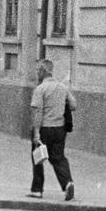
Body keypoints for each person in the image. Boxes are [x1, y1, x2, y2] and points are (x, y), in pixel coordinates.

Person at [28, 58, 75, 201]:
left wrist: (36, 133)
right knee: (58, 157)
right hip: (60, 129)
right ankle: (67, 183)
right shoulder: (62, 87)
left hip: (44, 129)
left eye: (38, 70)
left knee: (38, 158)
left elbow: (38, 112)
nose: (37, 73)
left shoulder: (40, 89)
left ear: (43, 71)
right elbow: (74, 105)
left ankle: (37, 190)